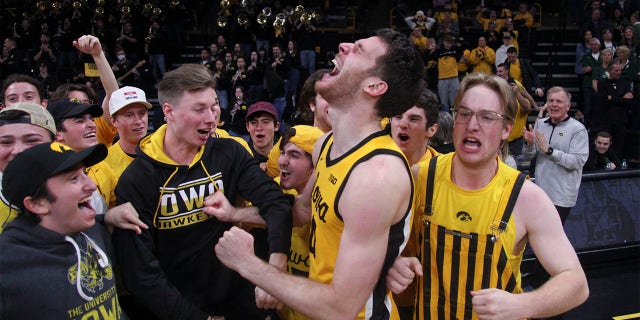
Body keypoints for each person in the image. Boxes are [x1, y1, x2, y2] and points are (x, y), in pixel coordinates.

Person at [214, 28, 424, 319]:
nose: (343, 46)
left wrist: (248, 264)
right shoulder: (326, 144)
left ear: (375, 86)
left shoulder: (377, 175)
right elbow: (302, 211)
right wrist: (234, 214)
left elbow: (341, 307)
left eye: (359, 49)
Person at [387, 73, 589, 320]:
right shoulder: (418, 178)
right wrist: (390, 264)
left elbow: (576, 283)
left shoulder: (526, 198)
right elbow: (365, 241)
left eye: (486, 117)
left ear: (506, 129)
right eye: (464, 113)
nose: (472, 125)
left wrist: (523, 305)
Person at [111, 64, 292, 319]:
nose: (212, 118)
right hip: (179, 310)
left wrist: (275, 269)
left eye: (213, 106)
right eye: (199, 109)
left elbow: (277, 203)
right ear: (169, 111)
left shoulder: (230, 153)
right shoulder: (137, 179)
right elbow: (140, 275)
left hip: (239, 301)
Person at [0, 142, 128, 319]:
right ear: (37, 203)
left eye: (84, 173)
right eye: (73, 178)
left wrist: (107, 217)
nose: (91, 185)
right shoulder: (8, 268)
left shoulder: (92, 228)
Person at [523, 87, 589, 224]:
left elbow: (577, 161)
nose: (554, 104)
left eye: (559, 101)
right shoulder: (540, 124)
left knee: (550, 238)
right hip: (540, 192)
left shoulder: (578, 129)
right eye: (551, 101)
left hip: (561, 197)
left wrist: (550, 151)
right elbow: (529, 156)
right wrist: (529, 144)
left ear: (568, 106)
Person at [102, 86, 152, 178]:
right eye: (129, 115)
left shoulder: (162, 151)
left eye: (142, 113)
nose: (138, 121)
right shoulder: (105, 164)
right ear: (114, 121)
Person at [390, 85, 440, 165]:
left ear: (431, 130)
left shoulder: (447, 171)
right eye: (398, 117)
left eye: (413, 119)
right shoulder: (373, 168)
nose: (402, 124)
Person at [596, 60, 634, 159]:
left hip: (621, 119)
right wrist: (621, 98)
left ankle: (618, 166)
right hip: (607, 119)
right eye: (616, 70)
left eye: (620, 70)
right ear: (610, 70)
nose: (618, 73)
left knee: (619, 144)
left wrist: (612, 97)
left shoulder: (625, 83)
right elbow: (603, 100)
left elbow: (629, 101)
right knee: (605, 142)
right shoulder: (602, 83)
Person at [496, 63, 534, 157]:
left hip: (516, 143)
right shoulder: (495, 99)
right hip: (499, 141)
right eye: (497, 72)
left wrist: (517, 93)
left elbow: (528, 109)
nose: (498, 73)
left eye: (500, 71)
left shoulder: (518, 95)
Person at [246, 101, 280, 166]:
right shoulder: (241, 157)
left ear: (276, 126)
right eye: (253, 122)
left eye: (265, 122)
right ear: (247, 127)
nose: (259, 128)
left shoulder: (285, 155)